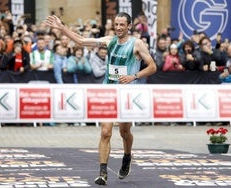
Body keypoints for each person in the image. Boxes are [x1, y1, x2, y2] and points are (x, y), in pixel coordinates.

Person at [45, 12, 156, 186]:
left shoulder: (137, 44)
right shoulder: (109, 40)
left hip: (126, 95)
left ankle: (127, 156)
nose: (118, 28)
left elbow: (152, 67)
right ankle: (103, 172)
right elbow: (81, 41)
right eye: (116, 24)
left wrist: (133, 76)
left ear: (129, 26)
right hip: (108, 92)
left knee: (124, 132)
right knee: (105, 132)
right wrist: (62, 28)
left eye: (122, 25)